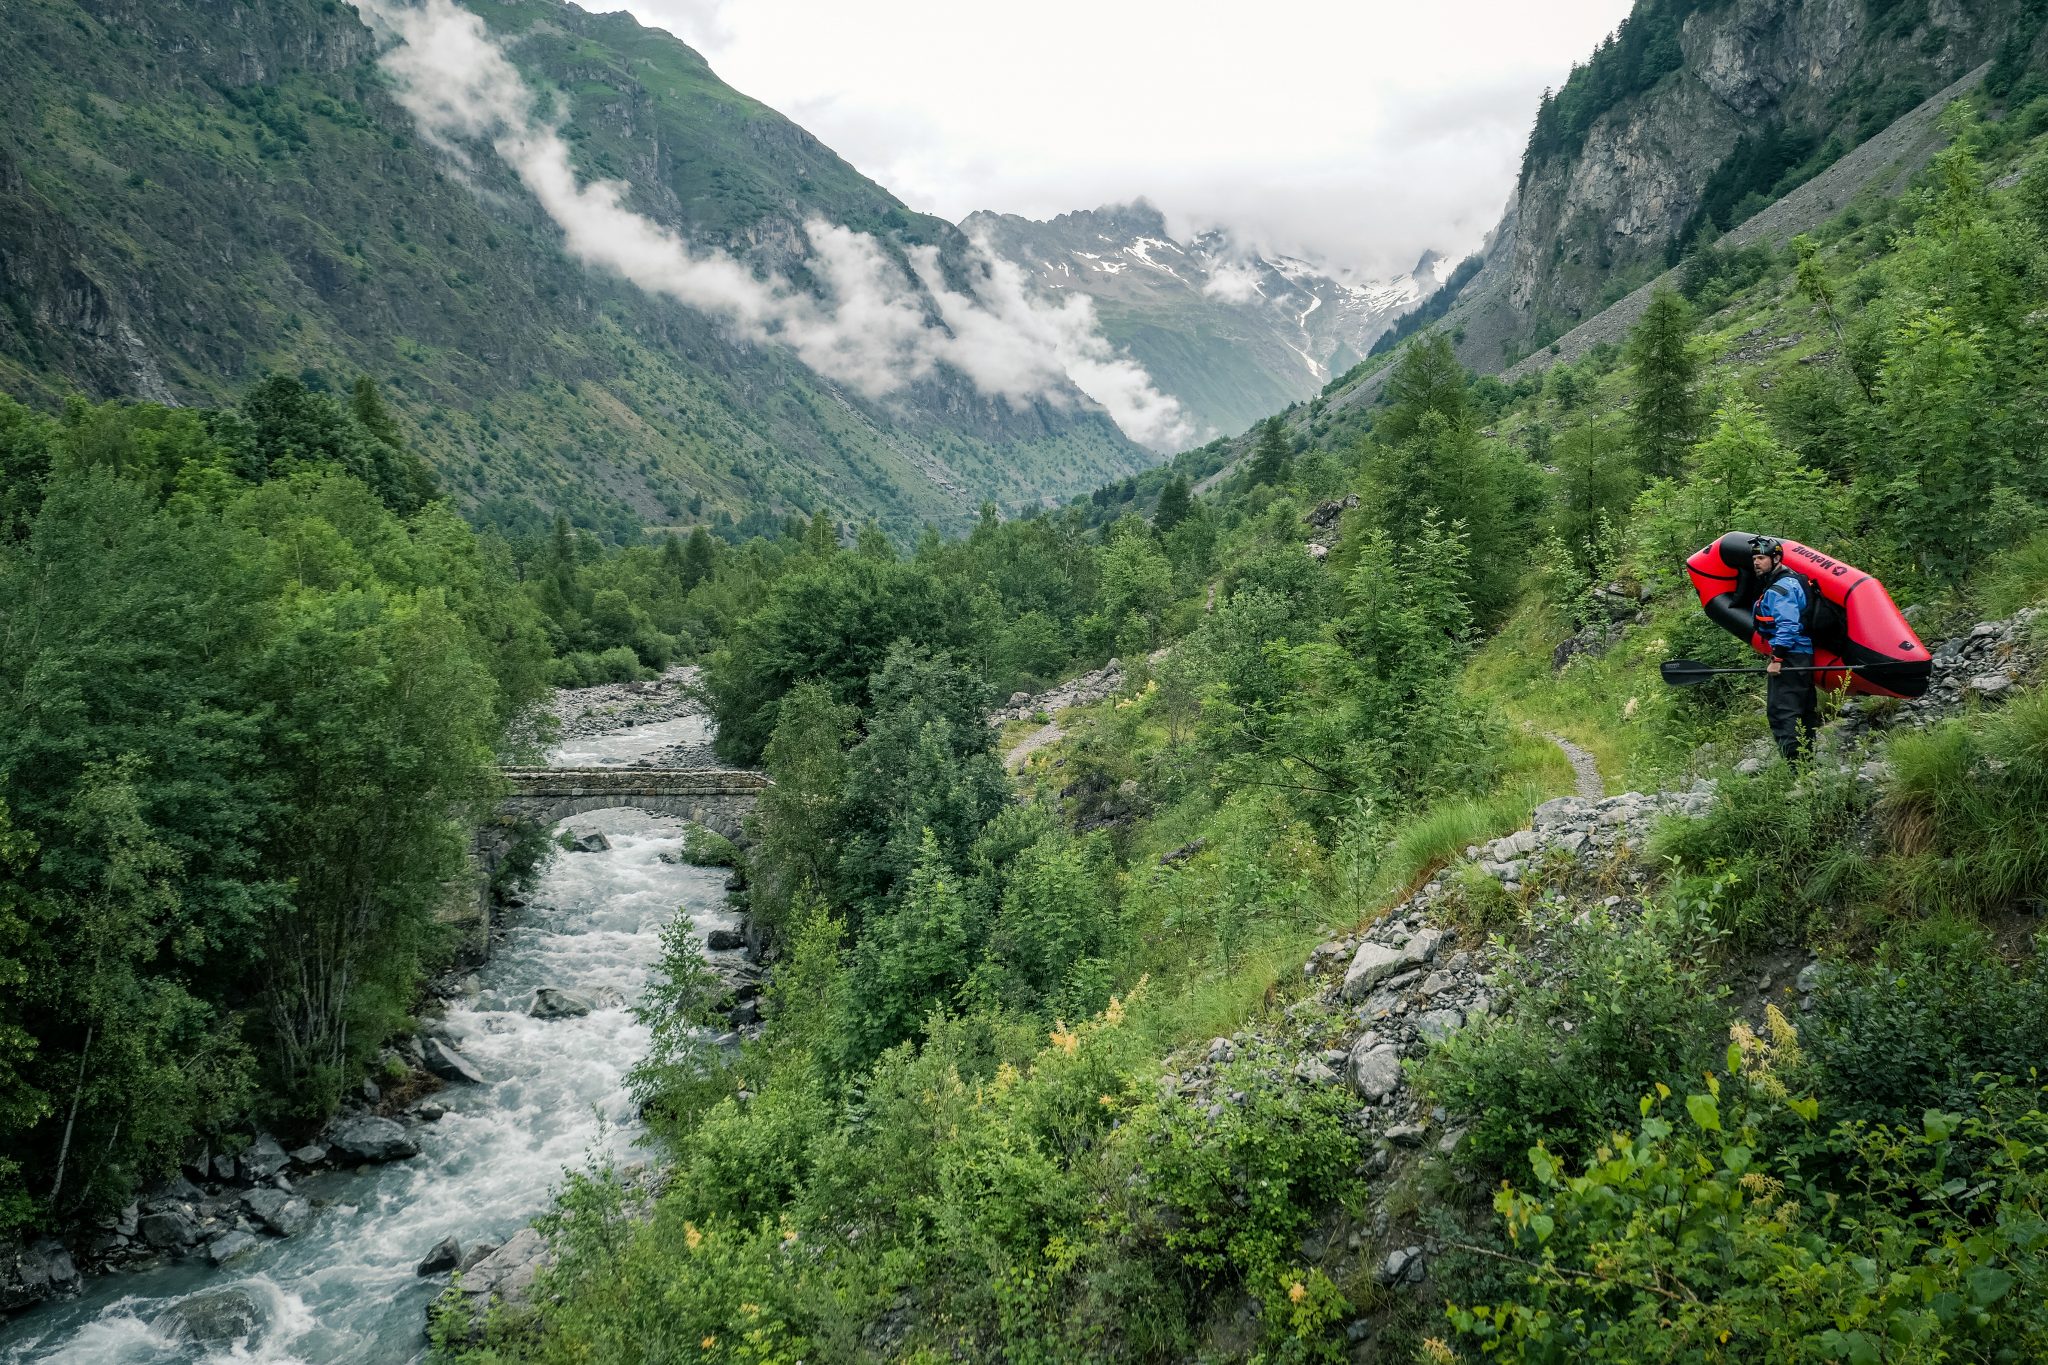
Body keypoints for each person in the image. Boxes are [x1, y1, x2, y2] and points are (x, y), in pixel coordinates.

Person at [1749, 536, 1818, 765]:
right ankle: (1807, 765)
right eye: (1754, 559)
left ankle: (1797, 769)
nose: (1756, 562)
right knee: (1803, 711)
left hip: (1791, 657)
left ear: (1775, 558)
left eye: (1761, 558)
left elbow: (1787, 624)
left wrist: (1777, 658)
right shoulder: (1790, 581)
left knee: (1782, 712)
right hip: (1802, 656)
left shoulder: (1781, 587)